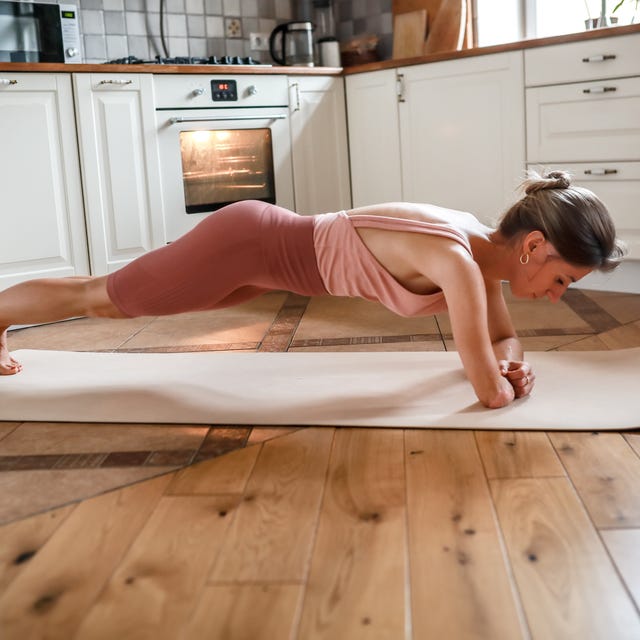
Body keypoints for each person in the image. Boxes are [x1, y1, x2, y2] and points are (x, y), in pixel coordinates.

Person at [0, 170, 626, 408]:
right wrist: (505, 380)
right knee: (104, 299)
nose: (556, 295)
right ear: (534, 247)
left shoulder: (477, 254)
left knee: (107, 295)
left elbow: (502, 341)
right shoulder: (457, 260)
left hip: (258, 265)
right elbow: (486, 385)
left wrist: (511, 366)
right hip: (246, 247)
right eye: (562, 279)